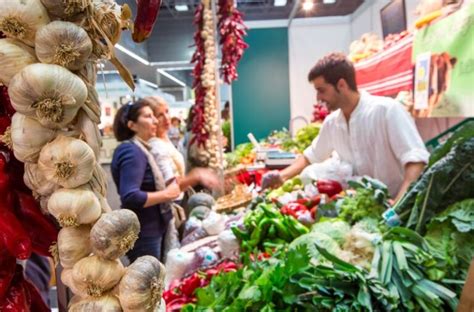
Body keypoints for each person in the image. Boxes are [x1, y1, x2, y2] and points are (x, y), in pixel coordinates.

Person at [262, 52, 429, 203]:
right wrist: (281, 176)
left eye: (321, 90)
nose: (318, 97)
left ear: (341, 85)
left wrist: (398, 206)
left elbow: (416, 161)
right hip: (360, 208)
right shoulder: (332, 122)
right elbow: (311, 156)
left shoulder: (387, 111)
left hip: (396, 206)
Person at [111, 100, 182, 262]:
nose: (156, 121)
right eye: (148, 116)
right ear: (132, 125)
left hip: (151, 229)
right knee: (148, 283)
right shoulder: (131, 151)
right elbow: (130, 196)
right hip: (145, 233)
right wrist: (167, 194)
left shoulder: (141, 149)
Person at [144, 96, 220, 197]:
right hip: (171, 204)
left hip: (178, 197)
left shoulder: (164, 138)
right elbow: (170, 186)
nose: (166, 118)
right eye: (159, 115)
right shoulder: (156, 145)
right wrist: (196, 175)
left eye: (167, 112)